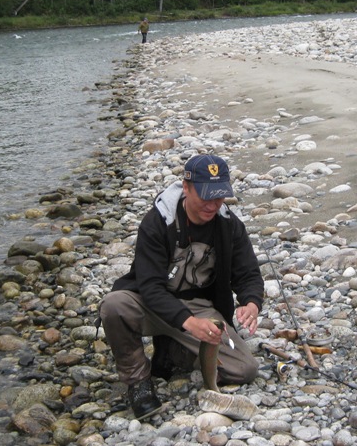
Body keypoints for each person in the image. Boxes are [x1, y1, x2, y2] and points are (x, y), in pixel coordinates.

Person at [99, 154, 264, 419]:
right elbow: (150, 287)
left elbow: (248, 275)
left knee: (245, 370)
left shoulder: (230, 225)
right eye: (206, 197)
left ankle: (172, 351)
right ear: (186, 188)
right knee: (114, 305)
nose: (213, 205)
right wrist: (189, 323)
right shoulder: (157, 222)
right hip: (151, 303)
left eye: (219, 196)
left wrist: (251, 303)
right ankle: (138, 383)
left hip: (200, 307)